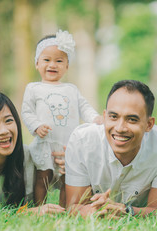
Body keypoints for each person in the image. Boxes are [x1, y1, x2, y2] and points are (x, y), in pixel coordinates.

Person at [65, 80, 157, 217]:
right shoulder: (82, 141)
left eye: (132, 119)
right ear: (104, 117)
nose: (120, 128)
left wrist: (126, 211)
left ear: (149, 124)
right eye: (113, 117)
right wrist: (95, 210)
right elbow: (74, 206)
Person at [21, 29, 102, 207]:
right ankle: (40, 207)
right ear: (37, 63)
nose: (53, 65)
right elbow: (26, 111)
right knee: (43, 175)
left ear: (66, 66)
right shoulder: (34, 88)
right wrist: (36, 126)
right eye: (47, 60)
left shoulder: (71, 89)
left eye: (59, 61)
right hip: (45, 142)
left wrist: (95, 118)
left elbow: (84, 107)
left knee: (68, 178)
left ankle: (65, 208)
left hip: (68, 145)